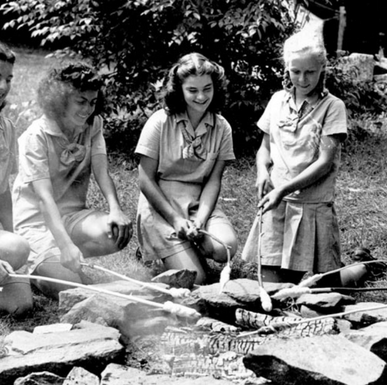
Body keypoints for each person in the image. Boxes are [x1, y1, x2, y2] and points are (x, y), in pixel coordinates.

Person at [13, 61, 132, 300]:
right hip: (36, 223)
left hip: (72, 215)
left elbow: (101, 171)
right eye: (81, 101)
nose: (88, 109)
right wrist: (65, 244)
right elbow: (45, 199)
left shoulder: (93, 125)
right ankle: (43, 263)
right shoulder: (35, 137)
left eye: (93, 102)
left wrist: (116, 210)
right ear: (61, 99)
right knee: (73, 289)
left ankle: (62, 258)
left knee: (114, 233)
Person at [240, 28, 349, 285]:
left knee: (326, 287)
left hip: (311, 206)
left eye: (310, 72)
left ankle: (362, 269)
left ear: (322, 68)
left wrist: (283, 190)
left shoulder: (333, 107)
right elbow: (265, 147)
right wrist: (262, 172)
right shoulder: (277, 100)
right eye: (295, 71)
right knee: (274, 288)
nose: (302, 79)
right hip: (277, 206)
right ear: (286, 68)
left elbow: (324, 163)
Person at [136, 53, 237, 285]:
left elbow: (213, 181)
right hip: (161, 204)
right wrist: (174, 219)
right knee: (196, 279)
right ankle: (164, 250)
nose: (201, 97)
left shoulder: (222, 128)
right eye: (192, 90)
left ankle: (188, 246)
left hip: (197, 201)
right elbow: (145, 180)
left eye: (207, 89)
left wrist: (201, 219)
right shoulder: (160, 122)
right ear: (179, 90)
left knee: (225, 248)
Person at [0, 43, 33, 315]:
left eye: (8, 78)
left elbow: (2, 192)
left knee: (20, 304)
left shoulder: (6, 128)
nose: (2, 86)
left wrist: (10, 237)